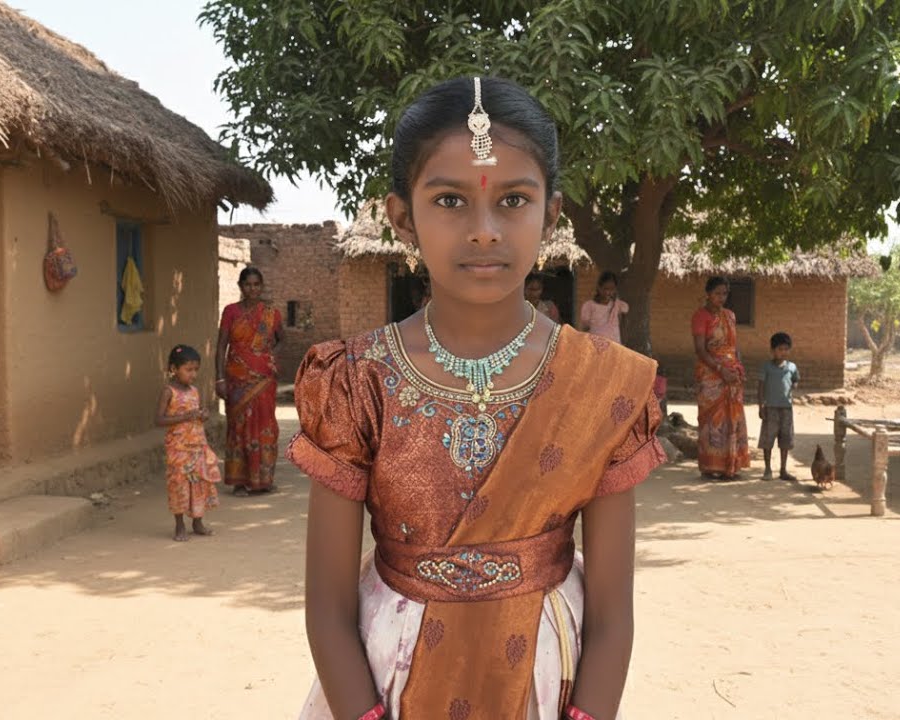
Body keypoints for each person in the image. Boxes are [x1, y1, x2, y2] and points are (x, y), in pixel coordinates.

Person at [287, 76, 665, 720]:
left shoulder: (602, 383)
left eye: (513, 200)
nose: (485, 230)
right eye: (450, 201)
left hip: (548, 678)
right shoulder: (356, 379)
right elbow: (326, 607)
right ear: (402, 217)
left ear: (551, 214)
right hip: (389, 677)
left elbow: (613, 613)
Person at [215, 268, 284, 497]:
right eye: (248, 284)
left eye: (256, 284)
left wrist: (269, 358)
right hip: (236, 379)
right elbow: (221, 345)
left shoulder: (271, 313)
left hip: (264, 380)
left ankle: (263, 480)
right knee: (239, 427)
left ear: (262, 286)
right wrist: (220, 378)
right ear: (240, 286)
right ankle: (240, 482)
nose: (252, 289)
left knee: (265, 427)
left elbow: (282, 339)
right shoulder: (231, 312)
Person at [156, 345, 220, 541]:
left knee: (199, 483)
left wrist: (203, 416)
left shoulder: (194, 391)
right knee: (179, 485)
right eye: (189, 369)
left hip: (197, 446)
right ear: (174, 369)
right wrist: (185, 416)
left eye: (196, 370)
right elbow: (158, 420)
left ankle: (197, 522)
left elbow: (197, 414)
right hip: (178, 448)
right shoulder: (169, 392)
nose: (193, 374)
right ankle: (179, 525)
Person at [692, 277, 750, 480]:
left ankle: (731, 465)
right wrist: (720, 369)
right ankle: (711, 466)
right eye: (717, 293)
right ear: (708, 293)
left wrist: (739, 367)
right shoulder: (701, 316)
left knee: (732, 419)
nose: (721, 297)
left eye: (724, 293)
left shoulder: (730, 315)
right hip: (710, 374)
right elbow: (700, 349)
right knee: (712, 420)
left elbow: (735, 346)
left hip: (732, 373)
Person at [757, 332, 800, 481]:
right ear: (772, 350)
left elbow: (795, 380)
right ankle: (768, 469)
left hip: (786, 409)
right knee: (767, 439)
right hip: (770, 408)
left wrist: (794, 385)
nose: (783, 352)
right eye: (780, 349)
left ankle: (783, 470)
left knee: (785, 440)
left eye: (786, 349)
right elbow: (760, 387)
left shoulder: (792, 367)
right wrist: (761, 406)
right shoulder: (766, 367)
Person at [578, 271, 629, 343]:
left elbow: (623, 323)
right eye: (606, 288)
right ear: (599, 288)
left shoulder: (617, 305)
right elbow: (585, 328)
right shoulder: (589, 306)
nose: (608, 292)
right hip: (596, 345)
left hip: (614, 345)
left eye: (612, 289)